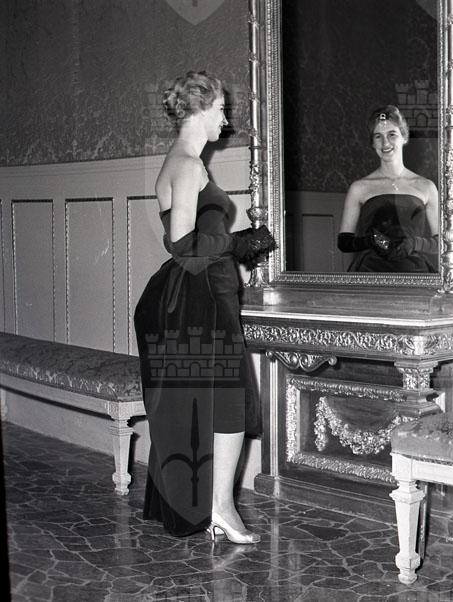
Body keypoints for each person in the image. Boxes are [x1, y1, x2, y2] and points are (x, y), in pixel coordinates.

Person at [134, 71, 275, 543]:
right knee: (231, 403)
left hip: (202, 292)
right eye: (220, 109)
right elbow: (181, 244)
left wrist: (237, 257)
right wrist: (236, 243)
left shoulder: (183, 162)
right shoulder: (188, 164)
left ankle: (214, 505)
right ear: (199, 109)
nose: (225, 119)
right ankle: (222, 508)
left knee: (213, 403)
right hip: (200, 297)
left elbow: (196, 239)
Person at [337, 105, 439, 272]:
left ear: (404, 137)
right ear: (372, 143)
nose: (385, 143)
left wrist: (414, 243)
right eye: (378, 136)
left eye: (392, 134)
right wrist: (373, 241)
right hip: (370, 273)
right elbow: (344, 242)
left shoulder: (426, 186)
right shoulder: (359, 188)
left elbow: (443, 243)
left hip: (414, 273)